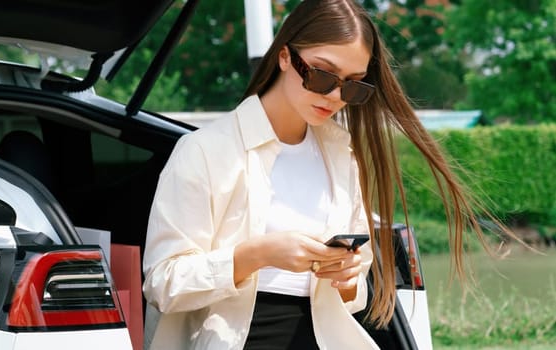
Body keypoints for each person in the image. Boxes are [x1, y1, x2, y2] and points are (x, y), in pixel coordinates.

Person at [142, 0, 506, 349]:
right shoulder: (205, 151)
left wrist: (348, 280)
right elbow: (162, 284)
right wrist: (257, 254)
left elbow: (354, 290)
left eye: (353, 85)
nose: (334, 95)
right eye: (321, 75)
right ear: (285, 56)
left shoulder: (341, 154)